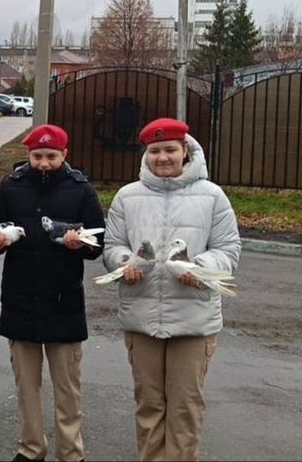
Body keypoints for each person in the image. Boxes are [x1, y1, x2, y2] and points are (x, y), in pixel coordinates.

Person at [103, 118, 241, 462]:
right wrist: (125, 263)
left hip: (193, 319)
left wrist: (201, 267)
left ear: (186, 151)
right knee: (149, 405)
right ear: (145, 155)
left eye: (170, 150)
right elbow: (113, 246)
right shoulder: (127, 196)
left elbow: (228, 249)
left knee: (185, 408)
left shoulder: (212, 196)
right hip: (141, 315)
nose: (162, 158)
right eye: (154, 151)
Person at [0, 124, 105, 462]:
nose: (44, 163)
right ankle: (31, 448)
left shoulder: (81, 190)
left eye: (51, 156)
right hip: (20, 296)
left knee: (67, 386)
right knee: (26, 385)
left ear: (64, 155)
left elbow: (98, 246)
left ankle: (71, 451)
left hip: (63, 299)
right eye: (37, 156)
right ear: (29, 155)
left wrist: (79, 244)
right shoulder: (11, 185)